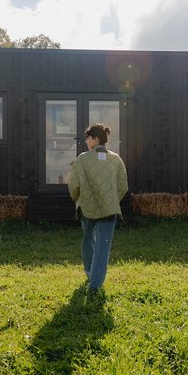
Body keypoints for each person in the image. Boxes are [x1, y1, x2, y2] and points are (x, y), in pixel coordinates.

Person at [68, 123, 128, 292]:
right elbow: (123, 186)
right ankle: (95, 286)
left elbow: (74, 186)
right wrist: (113, 200)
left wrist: (76, 199)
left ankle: (89, 273)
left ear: (95, 139)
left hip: (87, 207)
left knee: (88, 240)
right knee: (103, 246)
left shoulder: (82, 159)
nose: (86, 141)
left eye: (88, 138)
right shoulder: (116, 159)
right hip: (110, 209)